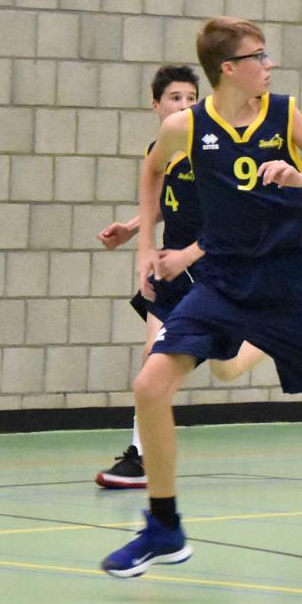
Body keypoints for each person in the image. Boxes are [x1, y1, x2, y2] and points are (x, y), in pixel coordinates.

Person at [99, 18, 302, 584]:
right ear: (229, 69)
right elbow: (152, 171)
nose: (269, 64)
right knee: (150, 386)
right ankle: (164, 526)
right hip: (222, 281)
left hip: (287, 282)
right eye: (259, 56)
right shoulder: (188, 126)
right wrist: (145, 245)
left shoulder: (283, 114)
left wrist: (300, 179)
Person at [93, 65, 264, 489]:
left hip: (211, 269)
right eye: (175, 98)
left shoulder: (213, 150)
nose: (184, 105)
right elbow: (166, 203)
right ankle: (141, 458)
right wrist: (132, 229)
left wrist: (191, 254)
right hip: (171, 271)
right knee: (152, 355)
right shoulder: (162, 149)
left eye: (191, 98)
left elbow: (231, 218)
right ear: (155, 105)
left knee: (225, 369)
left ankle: (273, 338)